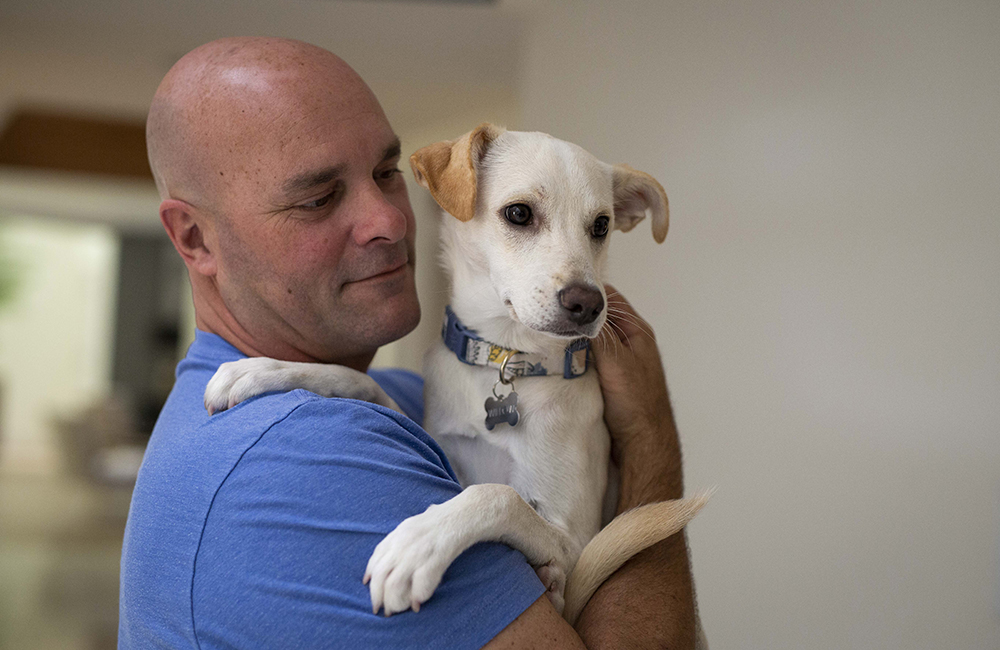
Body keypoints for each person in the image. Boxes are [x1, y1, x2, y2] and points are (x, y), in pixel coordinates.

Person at [119, 37, 697, 649]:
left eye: (386, 173)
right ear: (195, 239)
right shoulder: (300, 458)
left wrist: (334, 383)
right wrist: (650, 435)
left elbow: (435, 449)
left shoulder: (399, 391)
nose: (392, 219)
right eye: (318, 198)